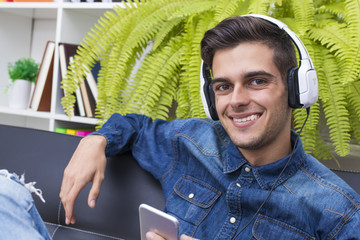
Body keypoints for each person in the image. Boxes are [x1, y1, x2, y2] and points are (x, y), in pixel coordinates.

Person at [58, 15, 360, 239]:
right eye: (224, 86)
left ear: (296, 90)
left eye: (257, 81)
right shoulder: (189, 141)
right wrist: (96, 141)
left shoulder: (339, 213)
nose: (237, 100)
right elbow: (136, 127)